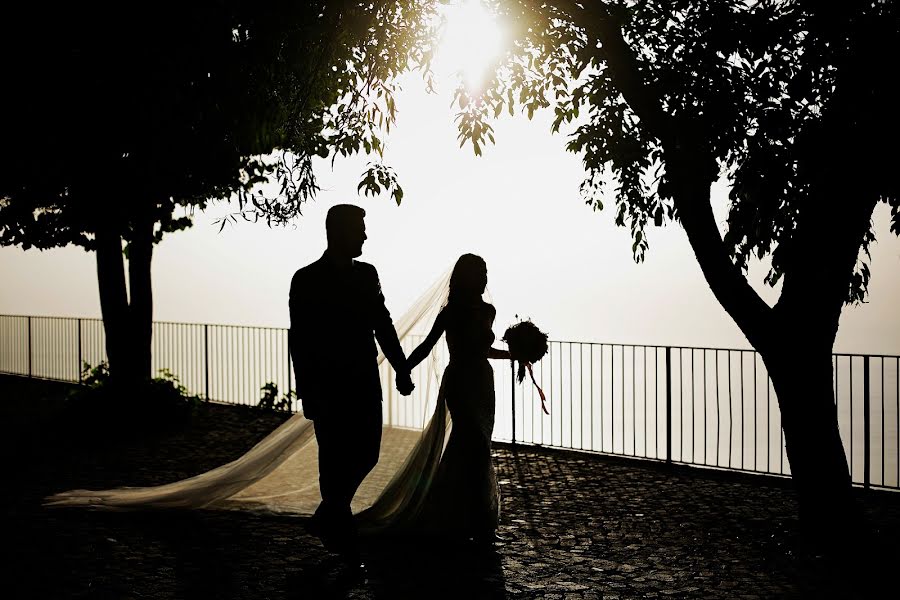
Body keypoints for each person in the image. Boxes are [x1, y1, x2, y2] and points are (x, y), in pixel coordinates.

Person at [288, 204, 414, 558]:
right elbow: (299, 339)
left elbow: (383, 324)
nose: (365, 235)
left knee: (368, 453)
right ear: (338, 231)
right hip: (326, 387)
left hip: (363, 383)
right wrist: (307, 390)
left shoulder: (368, 274)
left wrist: (401, 367)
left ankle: (329, 514)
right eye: (360, 228)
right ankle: (342, 541)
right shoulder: (306, 278)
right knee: (331, 460)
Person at [398, 253, 510, 544]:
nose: (485, 278)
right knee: (471, 443)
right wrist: (404, 369)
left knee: (478, 447)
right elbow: (427, 345)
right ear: (466, 277)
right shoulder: (451, 312)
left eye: (486, 272)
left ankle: (474, 519)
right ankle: (460, 517)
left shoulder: (489, 311)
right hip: (460, 382)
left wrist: (515, 353)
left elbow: (485, 351)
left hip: (483, 383)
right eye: (480, 273)